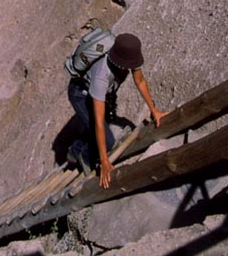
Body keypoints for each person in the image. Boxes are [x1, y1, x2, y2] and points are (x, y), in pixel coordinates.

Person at [67, 32, 167, 189]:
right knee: (107, 140)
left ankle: (75, 149)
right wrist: (105, 161)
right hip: (80, 94)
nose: (132, 68)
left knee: (95, 125)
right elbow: (98, 122)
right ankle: (85, 157)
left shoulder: (128, 56)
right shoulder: (101, 74)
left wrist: (153, 109)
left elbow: (140, 80)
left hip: (100, 92)